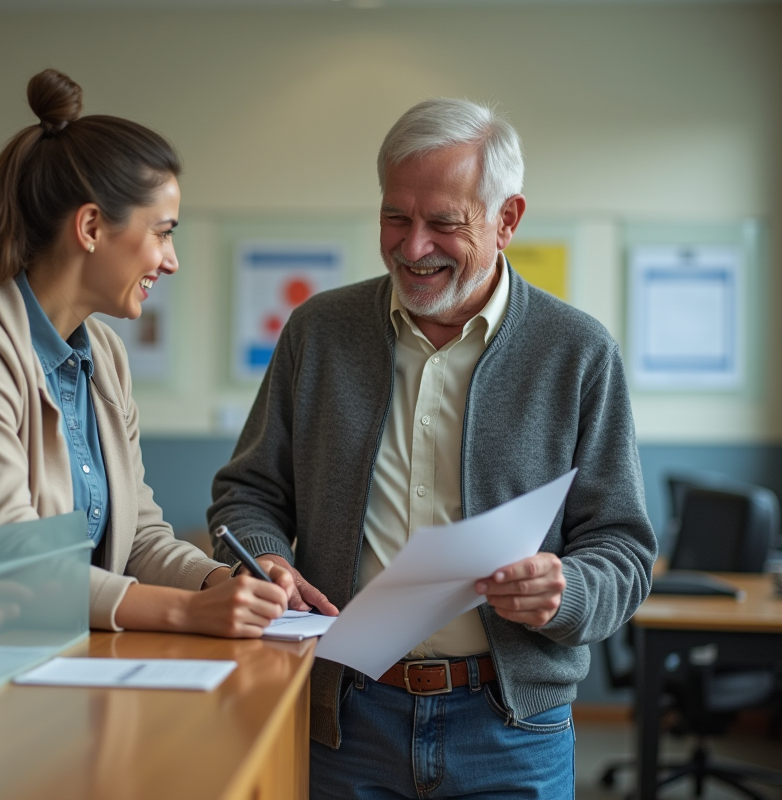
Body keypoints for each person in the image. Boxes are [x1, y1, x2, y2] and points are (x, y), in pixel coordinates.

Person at [208, 98, 657, 798]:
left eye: (444, 223)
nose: (413, 248)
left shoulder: (578, 352)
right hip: (347, 717)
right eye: (396, 217)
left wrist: (567, 591)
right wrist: (265, 557)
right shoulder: (318, 332)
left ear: (507, 221)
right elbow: (248, 494)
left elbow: (624, 547)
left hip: (512, 731)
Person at [0, 68, 291, 638]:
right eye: (163, 232)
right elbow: (13, 563)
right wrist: (187, 612)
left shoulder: (104, 355)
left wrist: (216, 582)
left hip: (50, 657)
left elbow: (140, 534)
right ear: (92, 226)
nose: (170, 261)